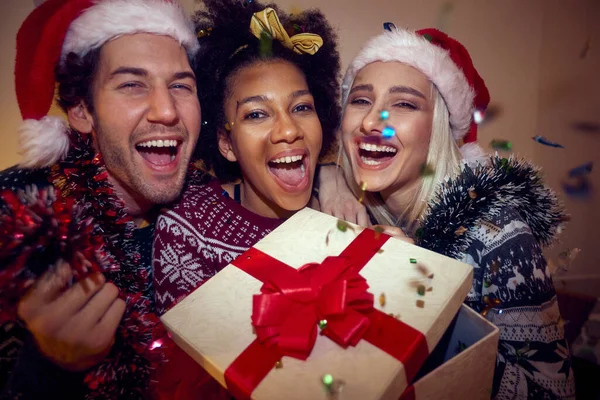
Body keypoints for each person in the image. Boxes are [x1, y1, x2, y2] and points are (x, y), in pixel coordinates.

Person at [338, 26, 575, 399]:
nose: (370, 122)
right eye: (360, 100)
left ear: (439, 129)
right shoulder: (349, 213)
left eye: (404, 104)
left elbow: (552, 392)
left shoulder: (497, 234)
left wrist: (435, 306)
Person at [0, 0, 202, 398]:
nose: (166, 110)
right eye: (132, 84)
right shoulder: (15, 215)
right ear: (80, 110)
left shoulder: (204, 196)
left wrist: (331, 175)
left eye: (181, 85)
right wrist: (51, 366)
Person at [150, 2, 340, 397]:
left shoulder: (343, 216)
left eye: (302, 107)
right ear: (226, 142)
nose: (288, 130)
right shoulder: (189, 226)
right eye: (257, 114)